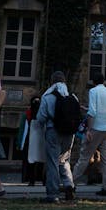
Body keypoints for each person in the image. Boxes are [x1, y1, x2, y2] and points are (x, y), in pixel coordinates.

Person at [73, 71, 106, 196]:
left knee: (84, 156)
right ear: (103, 81)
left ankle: (71, 184)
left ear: (93, 82)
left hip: (96, 128)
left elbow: (93, 112)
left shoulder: (93, 92)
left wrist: (89, 130)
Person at [35, 71, 76, 203]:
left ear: (51, 82)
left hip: (53, 131)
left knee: (52, 162)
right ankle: (69, 185)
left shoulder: (47, 97)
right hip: (69, 133)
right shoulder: (72, 96)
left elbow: (40, 118)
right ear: (64, 81)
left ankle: (53, 194)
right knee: (64, 160)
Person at [18, 97, 45, 186]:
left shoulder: (28, 113)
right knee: (41, 159)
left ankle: (32, 180)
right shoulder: (41, 112)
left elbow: (23, 128)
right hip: (39, 137)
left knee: (32, 160)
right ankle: (41, 179)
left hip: (32, 137)